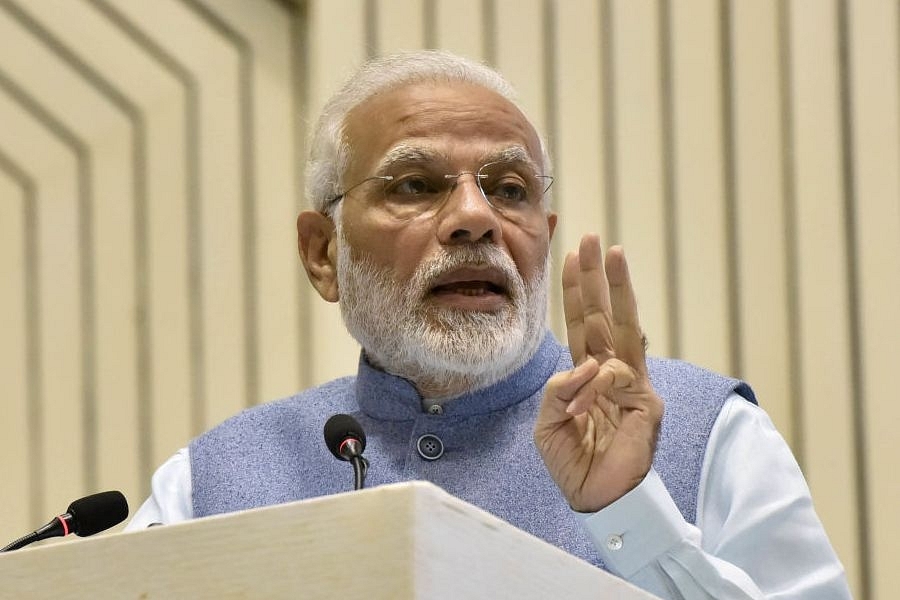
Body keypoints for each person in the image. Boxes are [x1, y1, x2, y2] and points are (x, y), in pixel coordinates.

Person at [128, 50, 851, 599]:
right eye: (416, 185)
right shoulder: (209, 485)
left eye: (510, 189)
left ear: (545, 233)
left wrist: (630, 512)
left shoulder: (709, 434)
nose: (476, 219)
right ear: (324, 254)